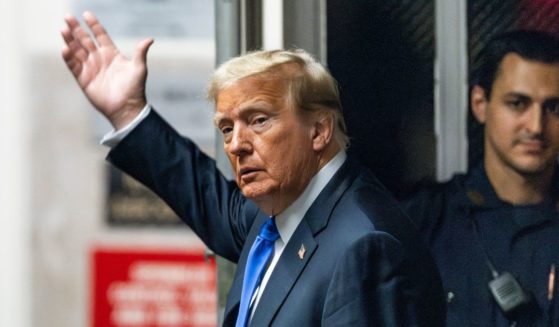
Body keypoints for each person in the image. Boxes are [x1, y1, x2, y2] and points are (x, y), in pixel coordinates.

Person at [61, 11, 445, 326]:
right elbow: (208, 198)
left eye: (259, 120)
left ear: (319, 130)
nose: (236, 144)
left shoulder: (364, 246)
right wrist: (128, 114)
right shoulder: (282, 211)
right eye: (227, 128)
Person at [402, 30, 559, 327]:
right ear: (480, 103)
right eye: (517, 103)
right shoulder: (427, 220)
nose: (537, 126)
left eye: (553, 107)